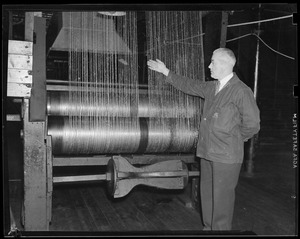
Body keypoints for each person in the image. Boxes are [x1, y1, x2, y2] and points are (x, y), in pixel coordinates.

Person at [147, 48, 260, 231]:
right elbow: (189, 85)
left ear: (224, 64)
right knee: (207, 194)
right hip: (208, 151)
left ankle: (221, 231)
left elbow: (253, 124)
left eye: (213, 61)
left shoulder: (241, 91)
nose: (209, 65)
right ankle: (209, 228)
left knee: (222, 199)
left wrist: (235, 139)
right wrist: (165, 71)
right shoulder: (212, 87)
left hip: (226, 155)